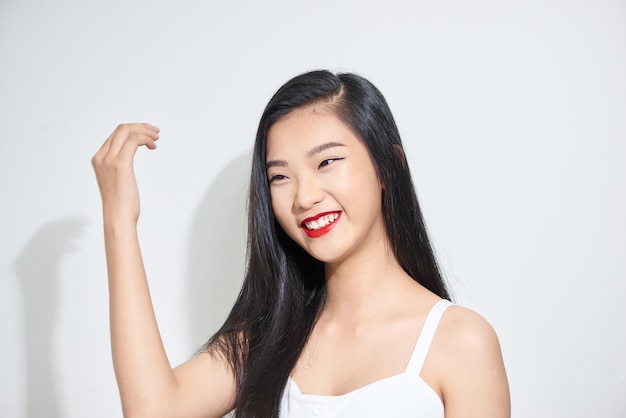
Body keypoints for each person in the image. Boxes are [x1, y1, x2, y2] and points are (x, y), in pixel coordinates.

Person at [92, 70, 510, 418]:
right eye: (280, 176)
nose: (304, 196)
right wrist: (118, 220)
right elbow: (153, 411)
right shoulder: (267, 336)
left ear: (389, 167)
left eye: (326, 162)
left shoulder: (461, 341)